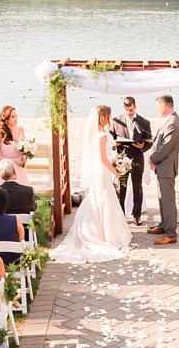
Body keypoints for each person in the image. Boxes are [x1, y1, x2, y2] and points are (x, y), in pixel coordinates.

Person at [51, 104, 132, 262]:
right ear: (103, 117)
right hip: (102, 169)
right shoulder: (101, 135)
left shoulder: (100, 133)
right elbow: (102, 158)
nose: (110, 117)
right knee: (104, 198)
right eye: (108, 115)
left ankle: (101, 231)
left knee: (100, 197)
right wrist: (115, 170)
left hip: (100, 167)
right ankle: (103, 234)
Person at [147, 94, 179, 245]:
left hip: (166, 167)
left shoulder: (173, 122)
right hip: (162, 167)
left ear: (164, 106)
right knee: (162, 199)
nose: (157, 110)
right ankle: (164, 225)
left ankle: (170, 234)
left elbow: (166, 148)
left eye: (158, 107)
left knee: (168, 201)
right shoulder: (169, 121)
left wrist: (152, 159)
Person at [0, 105, 33, 187]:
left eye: (16, 116)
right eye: (12, 117)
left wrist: (25, 155)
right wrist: (14, 161)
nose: (16, 119)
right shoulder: (0, 133)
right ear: (6, 119)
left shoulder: (21, 129)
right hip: (7, 169)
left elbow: (24, 148)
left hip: (20, 166)